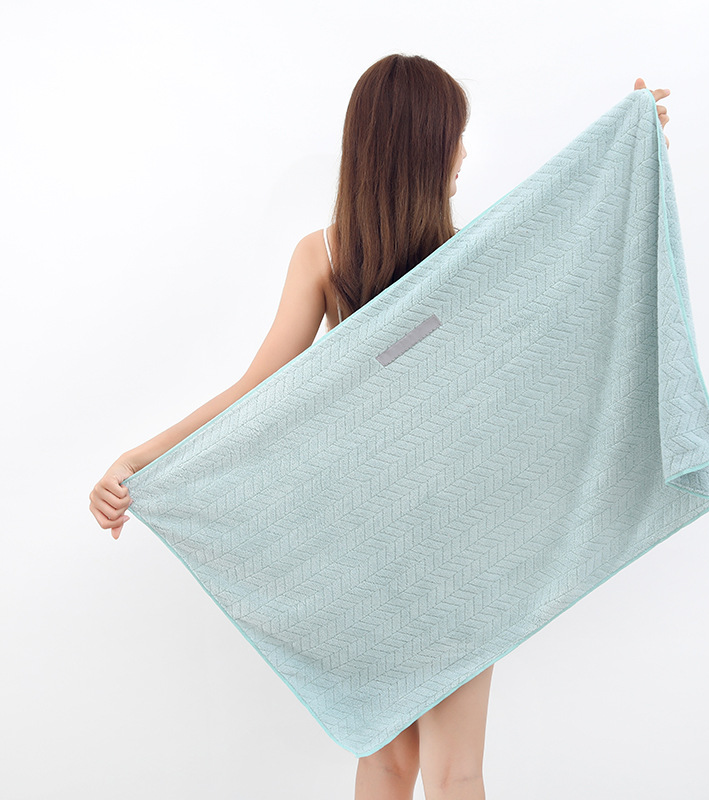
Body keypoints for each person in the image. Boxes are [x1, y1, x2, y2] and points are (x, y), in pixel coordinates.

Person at [89, 54, 671, 800]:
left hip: (363, 545)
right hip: (454, 542)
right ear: (426, 146)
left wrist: (135, 459)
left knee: (387, 762)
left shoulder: (330, 254)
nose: (464, 154)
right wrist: (631, 154)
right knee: (457, 771)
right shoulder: (469, 258)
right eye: (456, 137)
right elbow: (571, 301)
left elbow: (251, 393)